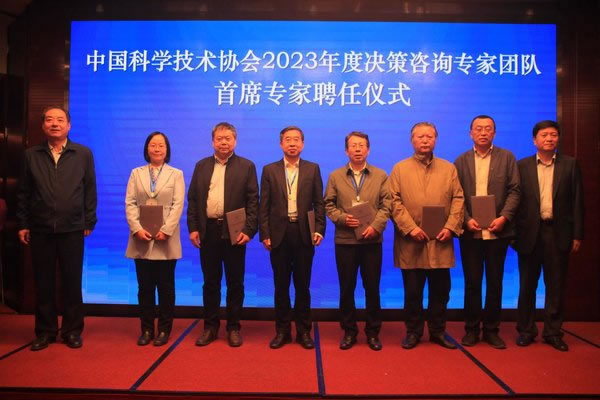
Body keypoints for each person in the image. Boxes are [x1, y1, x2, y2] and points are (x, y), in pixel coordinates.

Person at [16, 106, 97, 351]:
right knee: (43, 283)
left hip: (72, 228)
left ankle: (72, 331)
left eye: (60, 120)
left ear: (68, 125)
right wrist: (23, 223)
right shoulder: (31, 155)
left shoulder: (82, 154)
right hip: (40, 228)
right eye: (50, 120)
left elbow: (90, 190)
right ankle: (45, 331)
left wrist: (89, 221)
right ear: (43, 126)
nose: (55, 124)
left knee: (72, 282)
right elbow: (23, 193)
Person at [389, 122, 464, 350]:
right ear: (412, 140)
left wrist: (450, 227)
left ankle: (438, 331)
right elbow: (393, 202)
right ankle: (413, 331)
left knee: (441, 291)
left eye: (429, 136)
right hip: (411, 241)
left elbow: (458, 199)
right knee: (413, 292)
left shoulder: (448, 168)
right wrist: (410, 228)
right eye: (420, 136)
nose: (425, 140)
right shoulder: (400, 169)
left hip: (441, 240)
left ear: (436, 140)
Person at [513, 120, 583, 352]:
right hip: (529, 234)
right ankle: (526, 330)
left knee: (556, 286)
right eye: (544, 135)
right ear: (535, 140)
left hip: (558, 232)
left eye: (553, 134)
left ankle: (553, 332)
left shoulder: (570, 165)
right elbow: (514, 201)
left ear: (558, 138)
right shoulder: (522, 166)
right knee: (527, 285)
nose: (549, 139)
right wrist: (513, 235)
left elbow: (578, 201)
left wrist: (577, 234)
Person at [187, 122, 258, 347]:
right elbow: (193, 200)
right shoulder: (201, 166)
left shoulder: (246, 166)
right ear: (212, 142)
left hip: (235, 232)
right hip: (208, 230)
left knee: (235, 282)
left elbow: (253, 202)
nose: (224, 142)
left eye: (228, 138)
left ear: (235, 141)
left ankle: (234, 327)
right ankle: (210, 327)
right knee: (210, 282)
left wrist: (249, 230)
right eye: (219, 138)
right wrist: (193, 228)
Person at [454, 115, 520, 349]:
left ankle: (492, 330)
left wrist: (504, 217)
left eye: (488, 129)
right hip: (470, 233)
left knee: (495, 282)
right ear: (470, 133)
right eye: (478, 129)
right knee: (472, 283)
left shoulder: (507, 157)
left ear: (494, 132)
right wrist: (466, 219)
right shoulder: (461, 161)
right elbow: (455, 195)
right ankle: (471, 329)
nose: (483, 133)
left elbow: (515, 190)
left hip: (498, 232)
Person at [259, 126, 326, 349]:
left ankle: (304, 331)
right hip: (278, 234)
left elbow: (319, 203)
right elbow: (263, 205)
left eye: (296, 140)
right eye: (288, 140)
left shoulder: (312, 169)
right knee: (280, 286)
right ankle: (282, 331)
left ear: (303, 144)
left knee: (302, 286)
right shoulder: (269, 170)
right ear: (281, 144)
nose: (292, 143)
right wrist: (265, 233)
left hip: (304, 233)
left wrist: (319, 229)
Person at [324, 131, 391, 351]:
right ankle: (349, 331)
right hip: (345, 241)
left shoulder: (380, 175)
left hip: (372, 241)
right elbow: (328, 205)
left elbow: (387, 205)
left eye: (362, 145)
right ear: (346, 150)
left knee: (372, 288)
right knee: (347, 288)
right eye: (353, 145)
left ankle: (373, 332)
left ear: (368, 149)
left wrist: (375, 226)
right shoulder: (335, 176)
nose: (358, 149)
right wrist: (343, 219)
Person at [125, 132, 185, 346]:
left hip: (165, 238)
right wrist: (137, 228)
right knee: (145, 288)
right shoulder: (136, 173)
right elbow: (130, 203)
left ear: (167, 150)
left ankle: (164, 330)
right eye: (153, 145)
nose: (157, 149)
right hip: (141, 237)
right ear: (147, 149)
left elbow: (178, 205)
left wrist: (166, 230)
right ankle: (147, 329)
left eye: (161, 145)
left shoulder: (176, 174)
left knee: (166, 287)